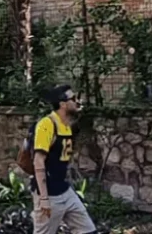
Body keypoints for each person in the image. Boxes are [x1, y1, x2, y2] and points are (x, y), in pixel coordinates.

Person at [32, 83, 94, 234]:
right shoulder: (47, 124)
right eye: (73, 98)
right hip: (49, 194)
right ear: (63, 104)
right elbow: (38, 161)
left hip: (64, 190)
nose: (77, 101)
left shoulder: (66, 126)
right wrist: (44, 199)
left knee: (87, 230)